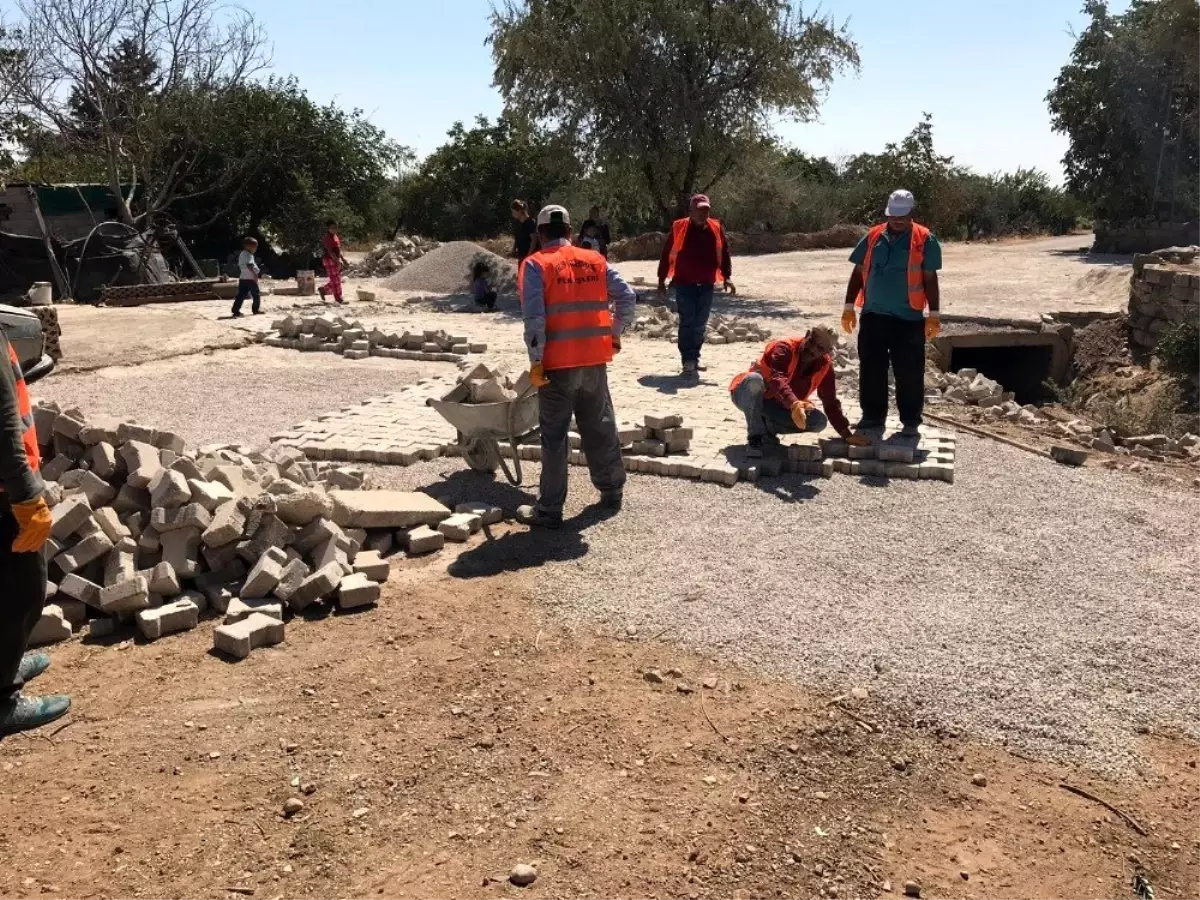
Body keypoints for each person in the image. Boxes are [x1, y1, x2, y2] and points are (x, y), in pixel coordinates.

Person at [516, 204, 637, 529]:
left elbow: (535, 318)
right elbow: (627, 297)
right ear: (570, 232)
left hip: (557, 366)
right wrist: (614, 333)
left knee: (554, 437)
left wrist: (536, 361)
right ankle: (612, 490)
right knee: (599, 424)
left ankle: (550, 510)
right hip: (594, 361)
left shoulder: (535, 264)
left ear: (540, 234)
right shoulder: (595, 260)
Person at [0, 329, 68, 736]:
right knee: (22, 591)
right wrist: (25, 495)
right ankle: (4, 698)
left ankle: (7, 657)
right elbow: (3, 421)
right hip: (4, 493)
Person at [842, 190, 943, 438]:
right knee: (871, 367)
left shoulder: (925, 239)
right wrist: (848, 307)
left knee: (909, 371)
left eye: (903, 216)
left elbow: (930, 278)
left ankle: (910, 420)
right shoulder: (874, 236)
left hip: (907, 318)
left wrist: (935, 314)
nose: (897, 221)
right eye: (893, 216)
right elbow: (857, 272)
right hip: (873, 314)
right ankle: (872, 417)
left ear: (912, 214)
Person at [729, 326, 868, 458]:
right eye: (812, 341)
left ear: (827, 352)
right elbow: (778, 379)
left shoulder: (825, 366)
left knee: (818, 421)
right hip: (747, 395)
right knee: (754, 380)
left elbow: (830, 400)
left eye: (819, 348)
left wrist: (846, 433)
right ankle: (755, 437)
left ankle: (767, 429)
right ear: (807, 335)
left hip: (776, 405)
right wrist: (794, 403)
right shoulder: (784, 347)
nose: (812, 349)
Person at [657, 194, 736, 382]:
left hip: (707, 284)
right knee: (687, 322)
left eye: (706, 210)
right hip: (684, 284)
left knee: (700, 324)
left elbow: (724, 253)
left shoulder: (715, 228)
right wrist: (661, 281)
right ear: (691, 211)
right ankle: (687, 360)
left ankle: (695, 357)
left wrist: (727, 277)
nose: (704, 213)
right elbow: (666, 253)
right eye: (700, 210)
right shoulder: (679, 228)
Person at [318, 220, 349, 304]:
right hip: (329, 259)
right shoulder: (327, 238)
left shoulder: (335, 236)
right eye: (332, 228)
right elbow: (330, 251)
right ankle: (338, 297)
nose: (334, 229)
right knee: (335, 280)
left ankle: (323, 290)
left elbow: (337, 250)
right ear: (328, 228)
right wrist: (337, 261)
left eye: (335, 227)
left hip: (335, 259)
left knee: (337, 279)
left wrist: (342, 259)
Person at [231, 236, 262, 318]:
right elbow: (249, 265)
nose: (256, 249)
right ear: (248, 247)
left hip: (243, 278)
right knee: (256, 294)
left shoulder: (243, 254)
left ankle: (235, 311)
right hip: (250, 279)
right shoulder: (248, 255)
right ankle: (255, 310)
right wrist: (255, 275)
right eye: (255, 247)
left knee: (241, 295)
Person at [511, 200, 538, 265]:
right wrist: (514, 249)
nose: (512, 214)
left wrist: (528, 256)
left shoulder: (530, 223)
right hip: (521, 256)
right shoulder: (518, 222)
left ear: (519, 211)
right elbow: (517, 237)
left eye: (513, 212)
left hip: (530, 258)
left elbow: (534, 241)